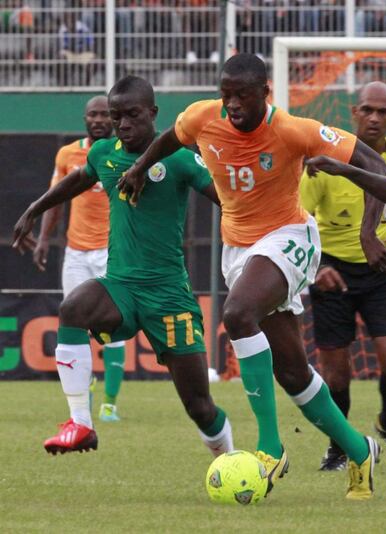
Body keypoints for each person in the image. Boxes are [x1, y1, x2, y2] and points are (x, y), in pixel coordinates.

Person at [115, 53, 386, 500]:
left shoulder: (293, 129)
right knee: (292, 373)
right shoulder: (202, 117)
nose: (231, 104)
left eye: (242, 96)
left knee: (238, 313)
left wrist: (369, 233)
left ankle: (270, 448)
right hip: (240, 248)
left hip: (289, 236)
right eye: (226, 94)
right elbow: (171, 138)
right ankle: (359, 450)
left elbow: (376, 166)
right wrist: (137, 169)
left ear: (264, 93)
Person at [13, 75, 234, 460]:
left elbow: (227, 201)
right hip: (121, 286)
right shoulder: (104, 153)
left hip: (168, 296)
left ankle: (229, 458)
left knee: (200, 407)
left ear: (153, 113)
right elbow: (78, 180)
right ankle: (81, 422)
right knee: (73, 309)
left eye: (132, 115)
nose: (124, 125)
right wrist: (36, 208)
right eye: (117, 118)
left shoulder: (180, 157)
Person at [300, 82, 386, 471]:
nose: (374, 118)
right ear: (353, 112)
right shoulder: (327, 163)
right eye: (367, 109)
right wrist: (316, 267)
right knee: (335, 373)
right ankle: (339, 443)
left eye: (383, 112)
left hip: (382, 268)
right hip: (332, 269)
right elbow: (296, 218)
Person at [33, 95, 127, 423]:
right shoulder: (68, 155)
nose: (98, 120)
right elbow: (56, 200)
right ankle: (81, 404)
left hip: (111, 252)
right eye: (93, 115)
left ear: (113, 119)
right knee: (75, 325)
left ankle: (110, 404)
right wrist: (44, 239)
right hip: (75, 252)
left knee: (112, 327)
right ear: (85, 118)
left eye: (104, 114)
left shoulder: (122, 152)